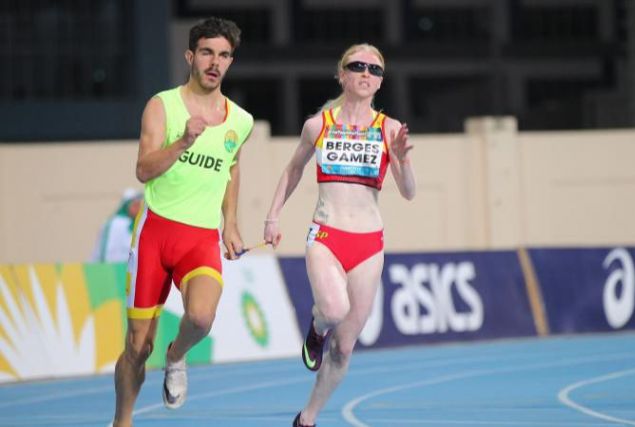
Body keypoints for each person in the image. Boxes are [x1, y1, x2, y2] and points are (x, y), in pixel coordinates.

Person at [110, 17, 254, 427]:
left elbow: (233, 167)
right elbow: (143, 169)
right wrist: (184, 141)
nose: (215, 62)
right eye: (207, 52)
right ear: (190, 56)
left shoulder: (239, 121)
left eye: (224, 55)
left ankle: (175, 356)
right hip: (156, 236)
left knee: (201, 319)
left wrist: (231, 222)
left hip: (200, 239)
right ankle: (123, 421)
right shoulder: (163, 105)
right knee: (137, 346)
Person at [263, 43, 416, 427]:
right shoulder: (319, 125)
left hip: (368, 245)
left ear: (380, 82)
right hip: (327, 235)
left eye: (375, 69)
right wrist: (272, 217)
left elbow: (409, 191)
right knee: (333, 310)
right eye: (358, 66)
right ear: (341, 74)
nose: (367, 73)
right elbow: (293, 170)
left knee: (345, 347)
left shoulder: (390, 129)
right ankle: (317, 330)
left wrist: (403, 158)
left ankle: (307, 419)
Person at [91, 188, 143, 263]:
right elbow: (106, 251)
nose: (138, 208)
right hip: (112, 269)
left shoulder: (137, 224)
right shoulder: (115, 223)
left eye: (140, 204)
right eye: (135, 205)